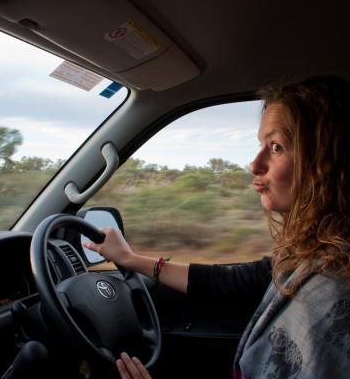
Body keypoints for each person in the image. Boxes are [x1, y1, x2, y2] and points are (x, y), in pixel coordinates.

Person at [84, 75, 350, 378]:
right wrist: (131, 259)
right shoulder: (310, 256)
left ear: (326, 161)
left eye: (276, 147)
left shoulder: (335, 287)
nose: (255, 164)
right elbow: (232, 281)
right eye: (261, 145)